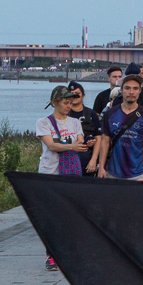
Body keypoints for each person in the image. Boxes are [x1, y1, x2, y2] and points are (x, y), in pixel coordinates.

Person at [37, 86, 89, 270]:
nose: (69, 105)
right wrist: (72, 145)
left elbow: (80, 141)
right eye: (65, 102)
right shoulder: (44, 123)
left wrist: (81, 144)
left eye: (71, 102)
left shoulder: (75, 122)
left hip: (71, 172)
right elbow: (51, 145)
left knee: (69, 214)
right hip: (50, 172)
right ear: (54, 102)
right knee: (51, 215)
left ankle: (67, 251)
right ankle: (51, 254)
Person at [96, 72, 143, 180]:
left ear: (140, 91)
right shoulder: (110, 114)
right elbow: (105, 141)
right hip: (114, 172)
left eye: (135, 88)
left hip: (140, 173)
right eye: (127, 88)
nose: (131, 92)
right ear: (121, 90)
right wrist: (101, 167)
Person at [66, 81, 102, 176]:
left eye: (77, 94)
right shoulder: (63, 114)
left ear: (83, 96)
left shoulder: (91, 114)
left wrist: (94, 160)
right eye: (71, 94)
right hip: (68, 157)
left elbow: (98, 138)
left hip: (87, 157)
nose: (74, 97)